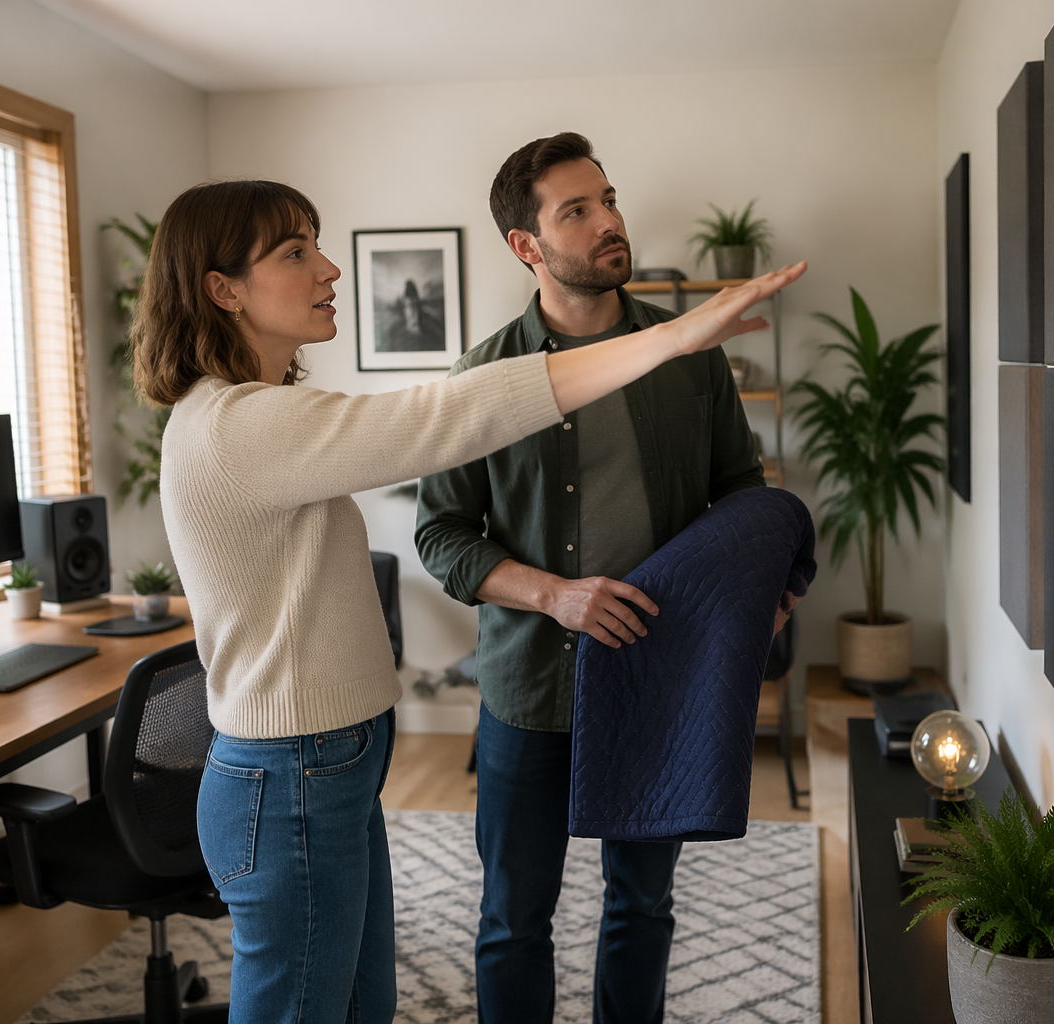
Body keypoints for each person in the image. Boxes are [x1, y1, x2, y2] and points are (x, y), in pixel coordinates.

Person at [133, 177, 804, 1024]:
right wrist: (669, 339)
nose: (329, 268)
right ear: (222, 289)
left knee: (360, 1004)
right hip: (292, 775)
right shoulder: (237, 426)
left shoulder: (266, 414)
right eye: (295, 253)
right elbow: (447, 418)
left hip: (328, 765)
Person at [415, 132, 802, 1024]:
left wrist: (763, 584)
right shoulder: (482, 379)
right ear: (527, 245)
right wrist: (555, 594)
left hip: (652, 678)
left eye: (608, 199)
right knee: (514, 920)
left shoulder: (687, 353)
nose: (609, 222)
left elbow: (740, 491)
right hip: (527, 692)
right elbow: (441, 534)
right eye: (576, 211)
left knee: (643, 906)